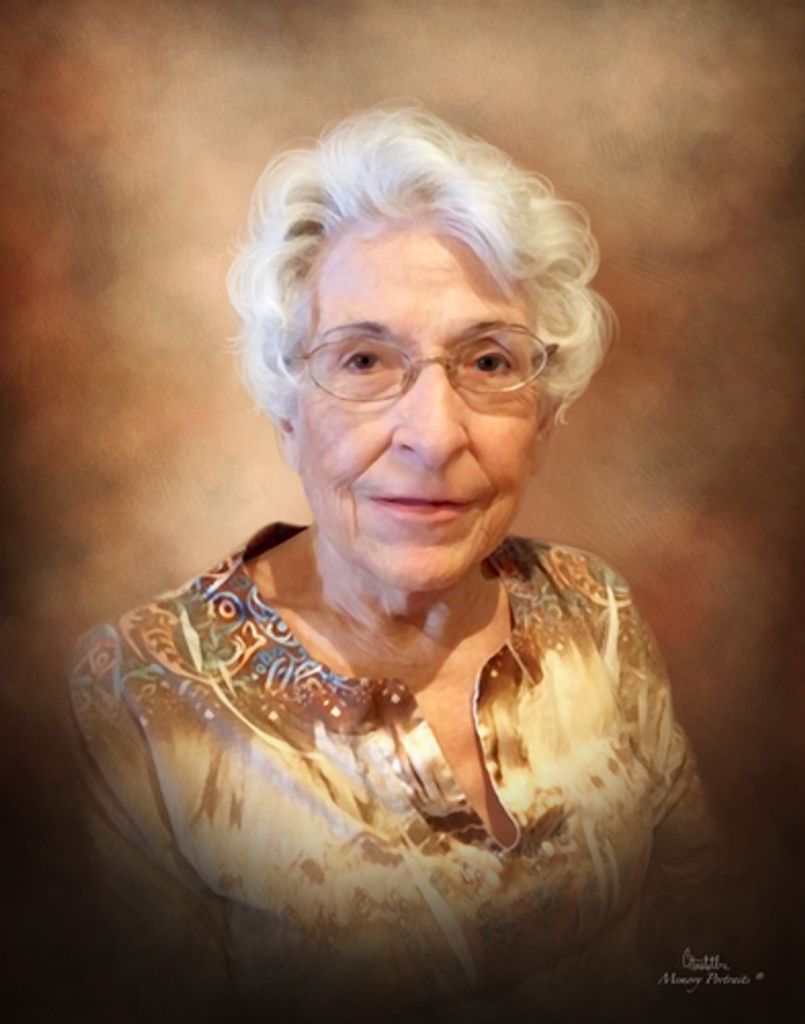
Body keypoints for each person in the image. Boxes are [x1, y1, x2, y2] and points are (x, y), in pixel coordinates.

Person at [69, 107, 729, 1023]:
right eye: (364, 360)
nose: (434, 434)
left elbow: (699, 928)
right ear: (287, 412)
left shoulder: (595, 612)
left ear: (542, 418)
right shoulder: (144, 695)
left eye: (488, 361)